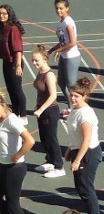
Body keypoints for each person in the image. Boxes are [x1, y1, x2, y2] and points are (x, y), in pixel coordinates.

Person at [65, 78, 103, 214]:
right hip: (78, 150)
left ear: (84, 96)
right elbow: (76, 136)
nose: (73, 98)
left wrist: (77, 160)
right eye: (71, 95)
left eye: (76, 96)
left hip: (88, 153)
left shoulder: (85, 114)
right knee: (80, 187)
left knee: (86, 188)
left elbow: (87, 139)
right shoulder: (75, 109)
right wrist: (70, 149)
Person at [0, 93, 32, 214]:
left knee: (13, 203)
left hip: (15, 168)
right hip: (2, 165)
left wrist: (18, 155)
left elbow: (29, 140)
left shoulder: (12, 120)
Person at [31, 44, 64, 177]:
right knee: (44, 138)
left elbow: (53, 96)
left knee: (51, 139)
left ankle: (59, 166)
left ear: (44, 59)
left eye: (36, 60)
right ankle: (50, 161)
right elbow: (40, 92)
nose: (34, 63)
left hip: (50, 111)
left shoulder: (49, 75)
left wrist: (41, 109)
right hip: (42, 109)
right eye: (33, 60)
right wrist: (37, 106)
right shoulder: (40, 72)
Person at [47, 0, 80, 110]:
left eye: (61, 8)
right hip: (64, 57)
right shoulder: (61, 23)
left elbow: (72, 42)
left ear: (67, 8)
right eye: (57, 8)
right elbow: (63, 42)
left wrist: (59, 50)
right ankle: (71, 106)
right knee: (61, 82)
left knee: (71, 85)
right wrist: (52, 50)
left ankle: (76, 107)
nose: (58, 10)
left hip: (71, 57)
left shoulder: (68, 23)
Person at [0, 4, 26, 117]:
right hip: (6, 62)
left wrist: (18, 65)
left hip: (15, 62)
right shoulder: (2, 28)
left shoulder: (13, 29)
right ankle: (15, 112)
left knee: (17, 89)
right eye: (0, 13)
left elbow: (18, 49)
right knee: (10, 89)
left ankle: (23, 115)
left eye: (4, 13)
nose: (1, 16)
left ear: (9, 14)